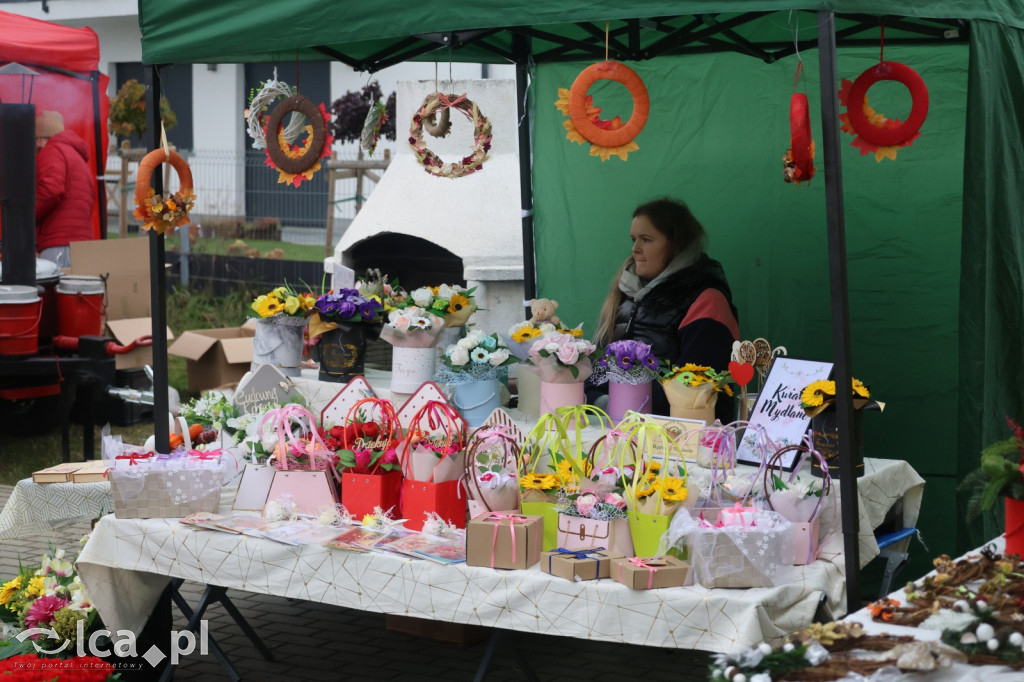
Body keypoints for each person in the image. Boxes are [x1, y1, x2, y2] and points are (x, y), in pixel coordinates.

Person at [592, 198, 739, 420]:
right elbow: (598, 371)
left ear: (677, 244)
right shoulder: (627, 293)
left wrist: (617, 403)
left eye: (646, 240)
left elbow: (693, 394)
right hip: (623, 426)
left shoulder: (707, 300)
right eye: (634, 239)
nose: (635, 249)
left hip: (682, 441)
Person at [35, 110, 94, 268]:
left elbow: (51, 190)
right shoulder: (77, 157)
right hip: (82, 244)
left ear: (40, 138)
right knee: (76, 292)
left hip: (58, 243)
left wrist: (27, 214)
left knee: (52, 290)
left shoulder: (52, 151)